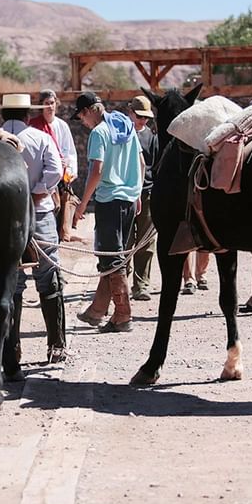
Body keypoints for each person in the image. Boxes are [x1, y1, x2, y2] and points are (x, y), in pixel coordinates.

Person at [0, 93, 66, 363]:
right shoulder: (41, 138)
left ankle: (11, 352)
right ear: (28, 115)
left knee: (10, 282)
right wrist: (38, 192)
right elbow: (55, 170)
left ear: (2, 115)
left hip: (4, 217)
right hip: (40, 214)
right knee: (49, 275)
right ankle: (56, 345)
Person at [72, 93, 144, 333]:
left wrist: (82, 204)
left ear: (91, 110)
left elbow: (97, 170)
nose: (83, 121)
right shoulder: (127, 127)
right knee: (114, 256)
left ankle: (123, 315)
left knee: (112, 258)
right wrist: (137, 193)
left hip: (109, 200)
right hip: (129, 200)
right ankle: (97, 311)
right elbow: (141, 164)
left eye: (82, 115)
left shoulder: (99, 133)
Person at [29, 89, 81, 242]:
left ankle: (63, 235)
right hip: (42, 176)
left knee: (63, 208)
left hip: (60, 176)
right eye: (46, 104)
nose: (50, 107)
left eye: (52, 103)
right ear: (41, 106)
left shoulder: (62, 126)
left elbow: (70, 151)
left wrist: (68, 165)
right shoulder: (33, 126)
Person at [126, 95, 158, 301]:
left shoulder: (151, 137)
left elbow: (154, 166)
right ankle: (119, 280)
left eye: (146, 117)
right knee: (125, 241)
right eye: (139, 116)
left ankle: (141, 284)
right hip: (126, 194)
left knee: (146, 241)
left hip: (146, 193)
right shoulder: (122, 135)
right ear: (130, 113)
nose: (142, 121)